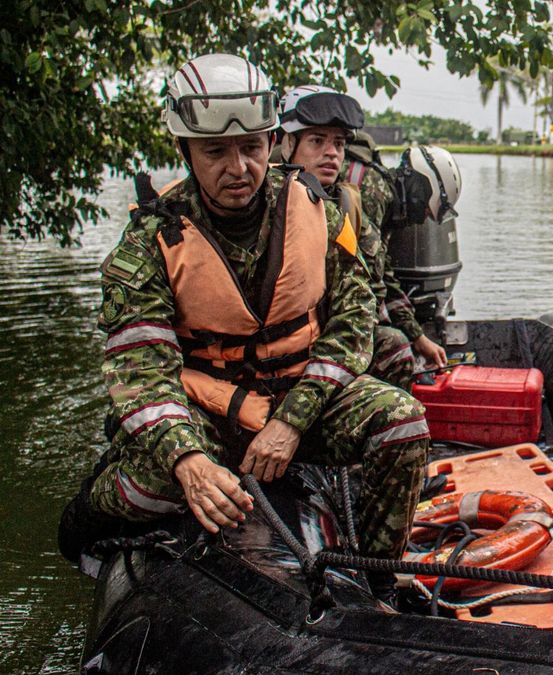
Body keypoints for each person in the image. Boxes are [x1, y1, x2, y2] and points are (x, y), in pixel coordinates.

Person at [58, 55, 430, 571]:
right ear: (184, 150)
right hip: (209, 412)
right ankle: (91, 510)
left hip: (297, 398)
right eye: (216, 151)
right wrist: (188, 460)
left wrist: (293, 421)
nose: (238, 168)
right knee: (157, 483)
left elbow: (353, 321)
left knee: (402, 423)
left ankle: (377, 580)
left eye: (252, 147)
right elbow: (141, 369)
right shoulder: (152, 237)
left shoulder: (323, 210)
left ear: (272, 141)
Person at [278, 86, 446, 391]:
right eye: (317, 141)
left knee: (394, 349)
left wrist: (415, 336)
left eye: (339, 144)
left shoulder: (346, 205)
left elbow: (375, 281)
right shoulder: (263, 204)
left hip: (330, 333)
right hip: (276, 348)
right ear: (288, 143)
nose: (331, 153)